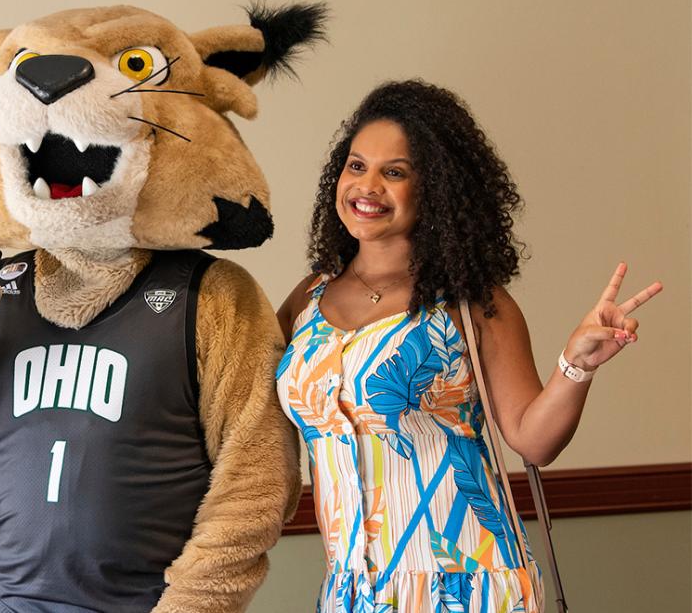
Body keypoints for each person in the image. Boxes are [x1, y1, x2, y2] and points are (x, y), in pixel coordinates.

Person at [273, 80, 661, 612]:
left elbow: (533, 441)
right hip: (350, 588)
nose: (367, 186)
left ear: (435, 189)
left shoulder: (473, 304)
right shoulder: (307, 301)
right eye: (356, 166)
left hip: (468, 582)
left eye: (395, 172)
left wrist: (577, 366)